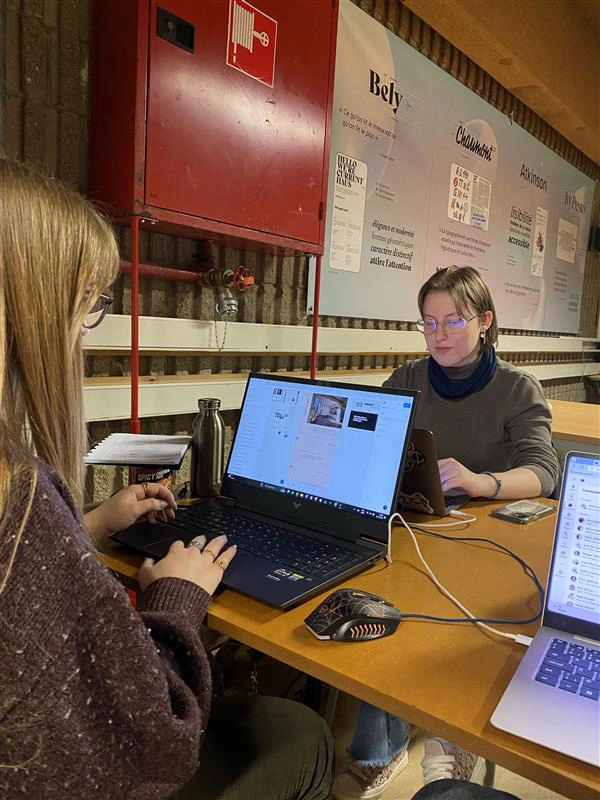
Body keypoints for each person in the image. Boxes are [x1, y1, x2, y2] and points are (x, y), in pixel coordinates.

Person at [0, 158, 334, 800]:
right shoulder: (21, 497)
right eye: (88, 303)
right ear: (35, 308)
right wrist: (177, 598)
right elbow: (155, 737)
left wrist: (89, 524)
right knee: (301, 734)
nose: (85, 331)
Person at [333, 266, 559, 800]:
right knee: (378, 604)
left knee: (457, 626)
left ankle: (451, 738)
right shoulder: (409, 378)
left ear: (485, 322)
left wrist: (482, 482)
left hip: (485, 542)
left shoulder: (516, 388)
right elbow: (373, 435)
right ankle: (379, 751)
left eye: (453, 321)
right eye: (428, 323)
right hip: (413, 528)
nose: (438, 335)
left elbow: (544, 470)